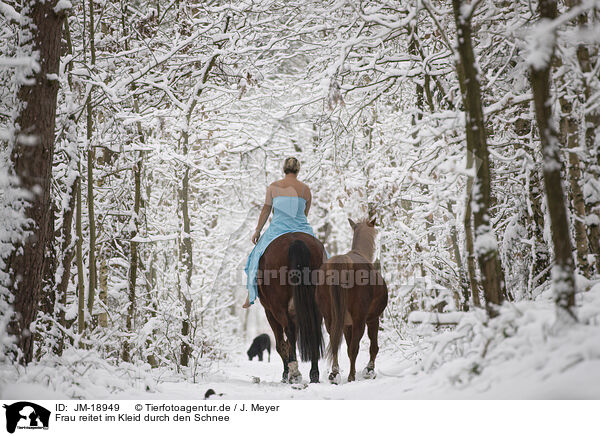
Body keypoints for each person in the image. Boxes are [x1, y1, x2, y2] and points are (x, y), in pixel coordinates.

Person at [243, 157, 318, 308]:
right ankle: (329, 290)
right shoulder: (305, 189)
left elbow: (266, 210)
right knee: (324, 256)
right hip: (302, 228)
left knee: (255, 257)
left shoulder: (273, 187)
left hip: (278, 229)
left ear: (284, 169)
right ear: (298, 170)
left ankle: (251, 294)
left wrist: (258, 230)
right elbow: (304, 213)